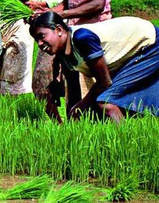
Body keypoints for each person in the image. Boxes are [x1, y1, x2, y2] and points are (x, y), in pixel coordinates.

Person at [30, 11, 159, 123]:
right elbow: (74, 92)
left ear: (58, 30)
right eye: (36, 40)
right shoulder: (64, 54)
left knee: (107, 102)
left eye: (42, 36)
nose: (40, 44)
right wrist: (73, 116)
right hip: (131, 53)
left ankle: (124, 145)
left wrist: (81, 106)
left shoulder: (82, 38)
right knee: (95, 109)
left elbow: (104, 82)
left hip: (150, 45)